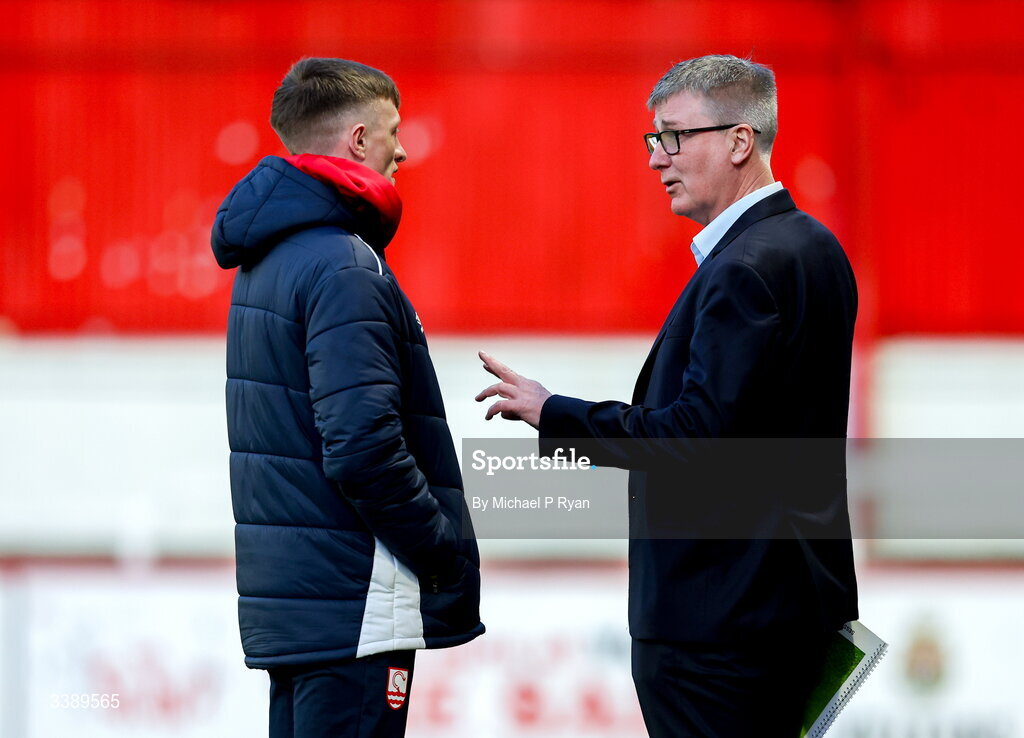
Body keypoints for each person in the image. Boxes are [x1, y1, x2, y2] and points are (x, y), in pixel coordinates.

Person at [475, 54, 858, 737]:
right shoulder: (813, 248)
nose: (658, 158)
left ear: (740, 141)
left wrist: (553, 412)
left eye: (674, 136)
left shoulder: (744, 268)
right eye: (655, 139)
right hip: (792, 609)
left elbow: (697, 438)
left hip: (720, 627)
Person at [211, 57, 483, 738]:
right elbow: (362, 445)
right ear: (359, 140)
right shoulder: (342, 264)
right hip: (354, 602)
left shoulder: (269, 259)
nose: (405, 149)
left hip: (302, 607)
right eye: (394, 131)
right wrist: (441, 550)